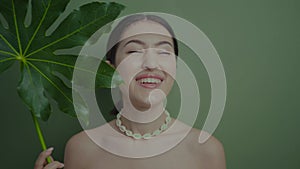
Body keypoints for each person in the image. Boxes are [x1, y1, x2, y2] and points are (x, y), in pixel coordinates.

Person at [34, 14, 226, 169]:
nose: (151, 64)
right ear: (110, 70)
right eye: (134, 51)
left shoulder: (207, 149)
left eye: (164, 51)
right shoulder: (81, 148)